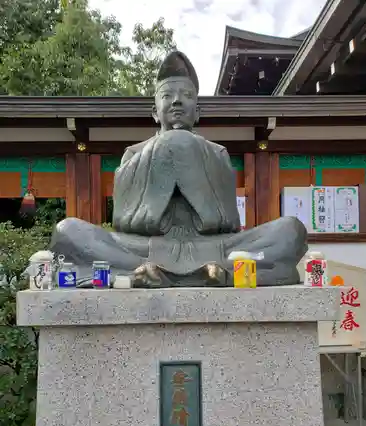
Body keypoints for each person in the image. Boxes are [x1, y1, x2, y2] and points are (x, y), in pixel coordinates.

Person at [50, 51, 307, 287]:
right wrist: (166, 149)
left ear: (197, 112)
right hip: (143, 248)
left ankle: (135, 275)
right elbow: (124, 221)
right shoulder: (134, 153)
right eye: (167, 96)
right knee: (68, 231)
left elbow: (226, 221)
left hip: (214, 248)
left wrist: (186, 150)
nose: (176, 102)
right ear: (154, 111)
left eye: (186, 96)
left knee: (290, 230)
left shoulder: (217, 152)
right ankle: (193, 273)